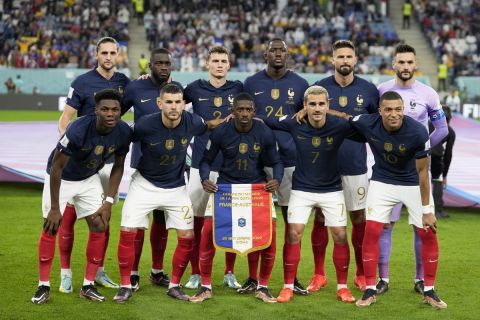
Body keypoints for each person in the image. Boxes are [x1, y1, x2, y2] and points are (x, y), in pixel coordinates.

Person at [113, 83, 226, 303]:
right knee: (127, 231)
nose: (174, 107)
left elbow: (209, 126)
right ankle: (125, 285)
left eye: (177, 102)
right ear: (159, 103)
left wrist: (227, 121)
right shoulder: (144, 125)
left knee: (187, 236)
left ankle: (174, 285)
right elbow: (122, 140)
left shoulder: (192, 121)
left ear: (184, 104)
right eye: (169, 102)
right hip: (143, 185)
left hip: (176, 188)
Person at [31, 89, 132, 304]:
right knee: (51, 225)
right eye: (104, 109)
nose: (110, 113)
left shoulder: (123, 131)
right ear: (95, 110)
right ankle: (43, 286)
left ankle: (87, 285)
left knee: (99, 224)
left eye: (115, 109)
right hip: (62, 178)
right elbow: (57, 167)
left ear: (120, 111)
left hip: (88, 178)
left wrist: (109, 201)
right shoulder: (77, 129)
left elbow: (119, 167)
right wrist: (56, 208)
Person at [261, 86, 358, 304]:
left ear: (328, 105)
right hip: (302, 189)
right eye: (312, 104)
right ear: (304, 106)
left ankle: (342, 287)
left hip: (332, 189)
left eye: (321, 104)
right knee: (293, 234)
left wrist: (335, 114)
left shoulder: (339, 125)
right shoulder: (294, 123)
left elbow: (361, 123)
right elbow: (265, 120)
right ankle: (288, 287)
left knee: (341, 236)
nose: (317, 108)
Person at [351, 91, 447, 309]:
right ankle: (369, 288)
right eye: (388, 109)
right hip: (382, 182)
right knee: (371, 232)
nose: (393, 114)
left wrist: (426, 209)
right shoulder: (369, 123)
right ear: (380, 111)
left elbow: (423, 173)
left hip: (412, 183)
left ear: (403, 110)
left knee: (428, 232)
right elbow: (344, 118)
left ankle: (429, 290)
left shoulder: (417, 131)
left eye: (397, 109)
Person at [190, 92, 283, 304]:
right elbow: (206, 159)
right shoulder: (221, 131)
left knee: (268, 238)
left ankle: (263, 286)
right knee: (207, 234)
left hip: (256, 190)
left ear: (254, 112)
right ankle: (205, 286)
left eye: (248, 110)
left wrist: (276, 179)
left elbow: (277, 161)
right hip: (225, 190)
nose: (243, 113)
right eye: (239, 109)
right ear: (232, 111)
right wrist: (205, 178)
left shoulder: (265, 132)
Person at [56, 36, 130, 292]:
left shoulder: (124, 83)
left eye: (113, 53)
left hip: (108, 161)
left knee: (103, 217)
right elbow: (65, 118)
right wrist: (68, 146)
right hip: (80, 163)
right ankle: (66, 272)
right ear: (96, 54)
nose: (109, 57)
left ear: (118, 55)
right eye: (104, 53)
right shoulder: (82, 82)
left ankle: (97, 270)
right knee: (68, 217)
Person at [376, 44, 448, 295]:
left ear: (415, 64)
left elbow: (442, 130)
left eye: (409, 62)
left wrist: (421, 148)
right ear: (393, 64)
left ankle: (420, 280)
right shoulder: (382, 91)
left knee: (422, 226)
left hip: (418, 170)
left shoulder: (428, 94)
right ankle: (382, 279)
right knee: (385, 225)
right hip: (388, 171)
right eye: (401, 62)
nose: (406, 67)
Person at [310, 40, 379, 292]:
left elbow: (375, 127)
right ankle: (319, 274)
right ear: (332, 60)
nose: (345, 61)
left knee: (358, 218)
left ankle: (361, 273)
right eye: (340, 57)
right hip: (323, 166)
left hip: (355, 166)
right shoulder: (318, 89)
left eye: (349, 56)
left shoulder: (369, 90)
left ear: (356, 60)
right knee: (320, 218)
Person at [243, 38, 309, 295]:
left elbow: (307, 117)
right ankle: (252, 278)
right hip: (259, 163)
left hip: (292, 163)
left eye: (282, 50)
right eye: (273, 50)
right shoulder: (251, 83)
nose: (278, 54)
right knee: (257, 223)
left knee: (292, 223)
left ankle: (291, 279)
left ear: (288, 54)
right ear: (265, 54)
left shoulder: (301, 84)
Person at [121, 47, 182, 292]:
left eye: (167, 63)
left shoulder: (178, 90)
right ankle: (133, 273)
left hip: (171, 167)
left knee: (161, 220)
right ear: (150, 66)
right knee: (137, 221)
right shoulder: (136, 88)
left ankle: (157, 271)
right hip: (143, 166)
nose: (163, 67)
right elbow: (116, 112)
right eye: (159, 63)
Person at [183, 45, 244, 290]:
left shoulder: (239, 88)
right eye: (215, 60)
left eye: (223, 61)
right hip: (199, 164)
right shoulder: (194, 89)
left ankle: (229, 272)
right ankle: (196, 272)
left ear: (229, 65)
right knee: (195, 222)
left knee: (230, 220)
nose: (219, 64)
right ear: (207, 64)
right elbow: (170, 101)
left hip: (231, 165)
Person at [431, 106, 455, 218]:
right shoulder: (450, 131)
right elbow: (448, 155)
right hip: (436, 156)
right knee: (437, 181)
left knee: (414, 180)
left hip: (421, 154)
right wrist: (444, 175)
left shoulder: (427, 123)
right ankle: (438, 210)